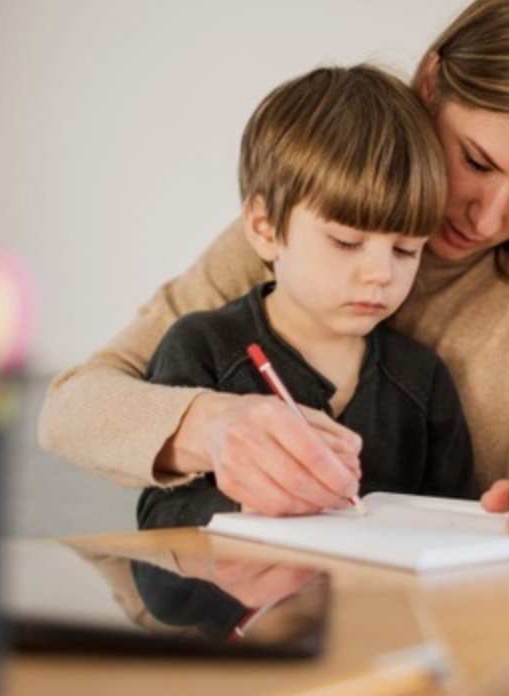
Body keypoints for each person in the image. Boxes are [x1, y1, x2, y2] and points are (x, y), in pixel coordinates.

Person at [39, 0, 509, 553]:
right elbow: (73, 407)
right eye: (476, 161)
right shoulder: (311, 219)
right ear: (431, 81)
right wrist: (211, 428)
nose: (487, 215)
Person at [134, 65, 478, 530]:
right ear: (264, 227)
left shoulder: (423, 379)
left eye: (405, 249)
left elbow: (457, 524)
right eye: (346, 243)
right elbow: (159, 522)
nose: (380, 274)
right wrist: (254, 505)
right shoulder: (202, 348)